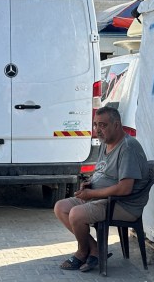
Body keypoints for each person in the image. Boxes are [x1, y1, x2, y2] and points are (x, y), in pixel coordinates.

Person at [54, 106, 149, 272]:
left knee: (76, 213)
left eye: (103, 125)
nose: (98, 130)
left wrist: (92, 193)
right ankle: (96, 249)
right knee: (60, 207)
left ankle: (83, 251)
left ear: (117, 125)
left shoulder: (127, 148)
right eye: (95, 125)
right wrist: (90, 183)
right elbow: (103, 173)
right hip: (101, 198)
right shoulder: (105, 144)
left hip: (123, 204)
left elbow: (125, 188)